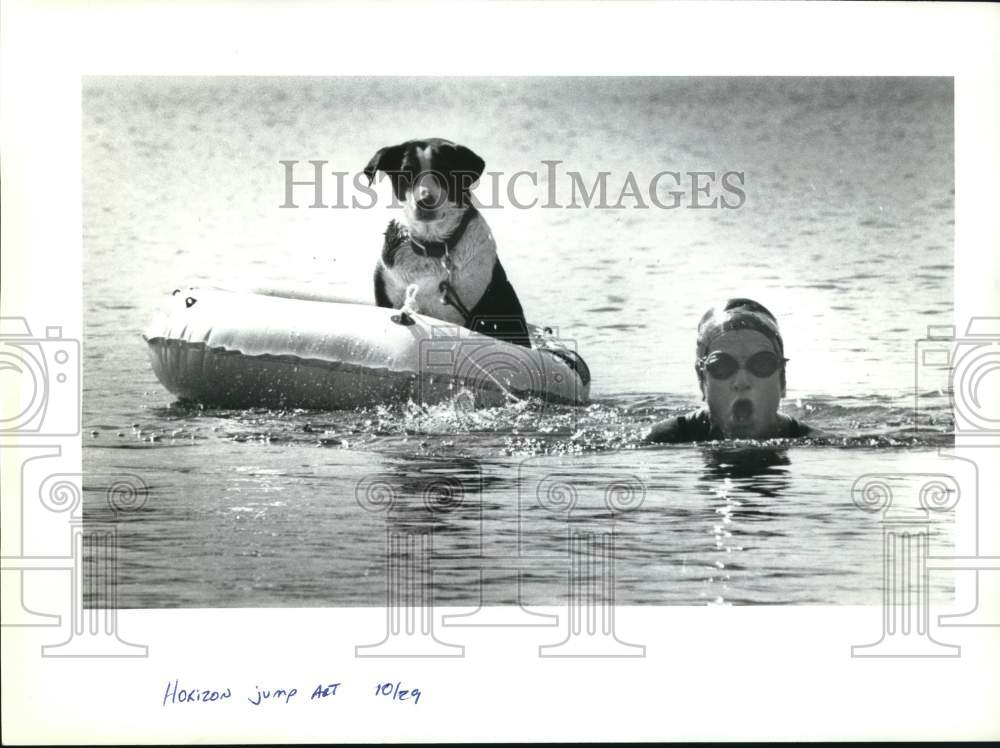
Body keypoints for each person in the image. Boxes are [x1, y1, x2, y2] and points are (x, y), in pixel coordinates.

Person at [646, 298, 812, 443]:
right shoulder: (662, 440)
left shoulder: (818, 444)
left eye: (761, 364)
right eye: (722, 366)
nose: (741, 382)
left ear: (782, 380)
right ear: (701, 380)